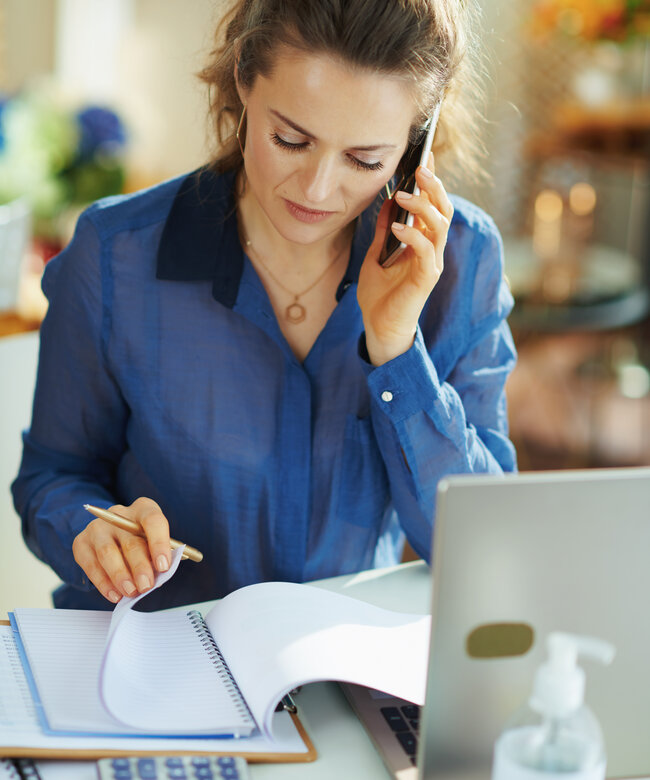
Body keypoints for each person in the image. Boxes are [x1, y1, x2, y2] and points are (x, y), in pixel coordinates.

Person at [12, 0, 517, 611]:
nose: (318, 188)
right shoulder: (116, 254)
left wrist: (395, 345)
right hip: (151, 668)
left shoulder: (464, 261)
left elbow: (481, 547)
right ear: (243, 82)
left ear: (417, 145)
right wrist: (90, 535)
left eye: (365, 159)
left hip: (333, 684)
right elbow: (51, 479)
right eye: (291, 139)